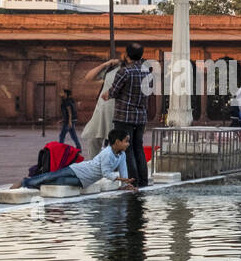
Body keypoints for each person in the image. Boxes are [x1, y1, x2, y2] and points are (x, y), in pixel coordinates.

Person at [18, 128, 136, 192]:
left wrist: (126, 184)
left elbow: (123, 169)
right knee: (50, 176)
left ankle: (32, 184)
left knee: (58, 182)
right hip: (78, 169)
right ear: (117, 142)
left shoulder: (122, 155)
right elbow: (106, 173)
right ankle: (24, 183)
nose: (128, 144)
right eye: (126, 141)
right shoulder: (107, 153)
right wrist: (122, 179)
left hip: (84, 181)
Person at [107, 43, 153, 188]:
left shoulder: (124, 72)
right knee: (138, 147)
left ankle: (134, 182)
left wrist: (106, 94)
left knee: (128, 149)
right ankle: (143, 181)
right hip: (140, 117)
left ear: (127, 55)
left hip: (124, 116)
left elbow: (113, 92)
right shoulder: (148, 73)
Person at [79, 57, 122, 158]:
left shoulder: (129, 71)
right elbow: (89, 77)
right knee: (93, 139)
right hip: (102, 111)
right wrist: (106, 64)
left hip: (117, 112)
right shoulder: (111, 69)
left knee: (115, 145)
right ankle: (93, 166)